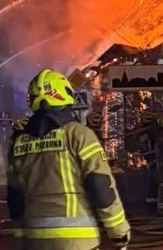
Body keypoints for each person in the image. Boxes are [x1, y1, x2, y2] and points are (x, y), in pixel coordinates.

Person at [7, 69, 131, 250]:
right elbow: (101, 186)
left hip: (34, 239)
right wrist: (118, 232)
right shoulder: (78, 134)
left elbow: (15, 197)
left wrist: (20, 237)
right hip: (76, 240)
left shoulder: (19, 141)